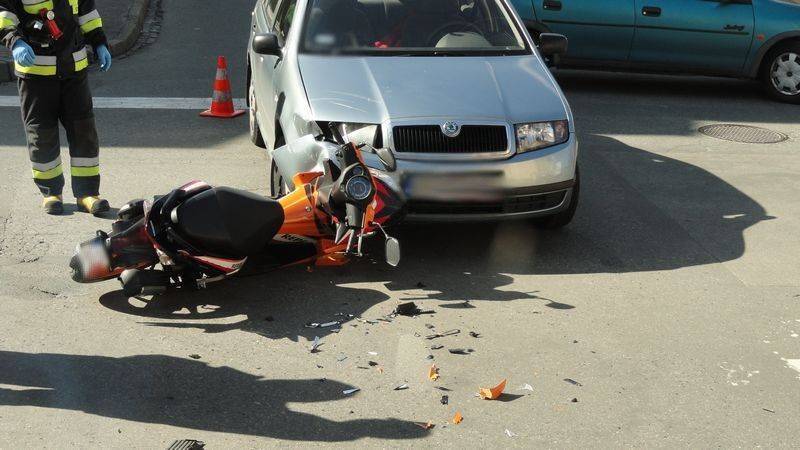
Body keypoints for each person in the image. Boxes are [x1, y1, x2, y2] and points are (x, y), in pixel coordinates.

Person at [1, 0, 111, 215]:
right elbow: (3, 13)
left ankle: (87, 194)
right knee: (41, 134)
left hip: (74, 70)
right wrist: (15, 42)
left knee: (84, 132)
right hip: (36, 74)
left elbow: (87, 14)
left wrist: (99, 42)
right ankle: (51, 193)